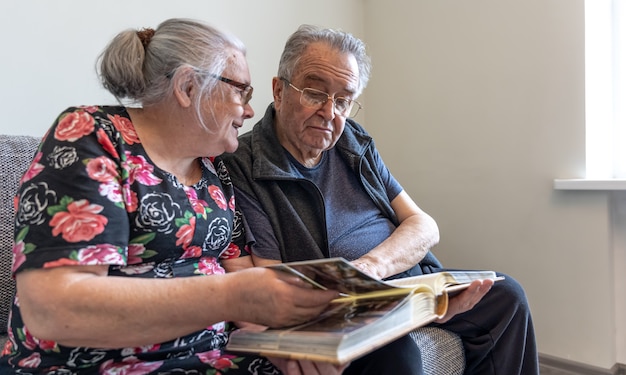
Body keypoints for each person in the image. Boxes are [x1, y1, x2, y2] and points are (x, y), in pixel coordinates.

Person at [0, 18, 353, 375]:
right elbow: (53, 310)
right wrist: (230, 295)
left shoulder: (216, 173)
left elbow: (247, 298)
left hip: (215, 358)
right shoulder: (91, 138)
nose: (249, 110)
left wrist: (282, 345)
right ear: (187, 87)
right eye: (241, 91)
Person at [218, 24, 540, 375]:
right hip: (343, 306)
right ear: (279, 91)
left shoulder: (351, 140)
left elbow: (424, 225)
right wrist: (366, 292)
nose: (330, 112)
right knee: (396, 355)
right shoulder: (244, 165)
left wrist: (372, 268)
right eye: (315, 93)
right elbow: (271, 279)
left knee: (508, 297)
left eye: (343, 100)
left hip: (403, 282)